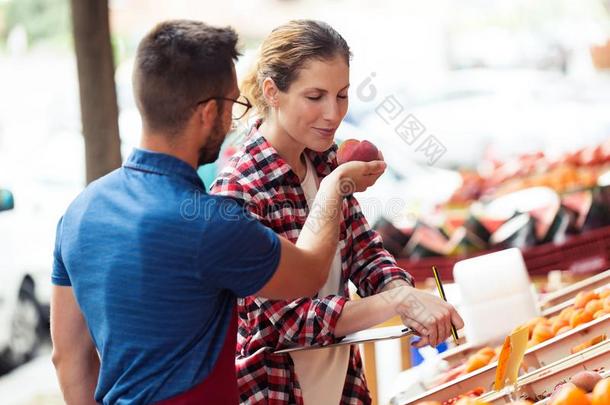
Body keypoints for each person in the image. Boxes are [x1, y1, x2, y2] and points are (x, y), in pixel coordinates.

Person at [50, 20, 386, 405]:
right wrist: (335, 188)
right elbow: (309, 272)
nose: (235, 120)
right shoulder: (211, 222)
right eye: (234, 104)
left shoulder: (78, 212)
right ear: (209, 113)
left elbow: (69, 358)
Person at [211, 20, 464, 404]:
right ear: (272, 92)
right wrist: (397, 303)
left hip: (342, 387)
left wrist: (403, 295)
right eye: (315, 97)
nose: (333, 114)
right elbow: (288, 321)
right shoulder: (239, 192)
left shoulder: (328, 162)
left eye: (342, 95)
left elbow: (365, 254)